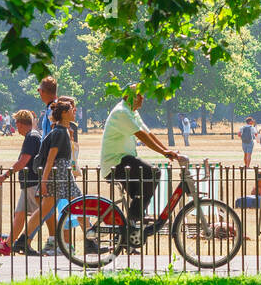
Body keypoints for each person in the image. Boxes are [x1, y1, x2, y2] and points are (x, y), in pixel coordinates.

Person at [100, 87, 180, 243]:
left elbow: (148, 132)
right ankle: (133, 218)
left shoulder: (132, 112)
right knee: (152, 173)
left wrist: (166, 150)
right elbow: (141, 136)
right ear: (128, 97)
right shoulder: (122, 112)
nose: (142, 99)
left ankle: (129, 229)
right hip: (116, 162)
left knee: (142, 190)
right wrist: (164, 153)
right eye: (139, 96)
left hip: (124, 161)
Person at [16, 97, 81, 255]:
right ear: (64, 112)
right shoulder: (59, 132)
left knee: (54, 209)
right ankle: (81, 241)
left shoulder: (65, 130)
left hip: (61, 174)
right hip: (57, 175)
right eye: (72, 109)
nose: (75, 111)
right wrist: (43, 182)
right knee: (77, 204)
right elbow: (52, 159)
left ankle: (23, 241)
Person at [0, 110, 42, 255]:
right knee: (19, 215)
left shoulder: (31, 137)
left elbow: (23, 161)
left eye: (16, 124)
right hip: (28, 183)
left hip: (32, 182)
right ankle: (8, 245)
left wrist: (5, 174)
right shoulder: (33, 135)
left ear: (21, 124)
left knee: (40, 215)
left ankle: (30, 242)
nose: (16, 127)